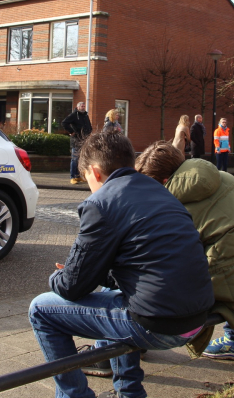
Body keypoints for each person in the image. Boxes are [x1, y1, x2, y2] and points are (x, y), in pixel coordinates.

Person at [28, 132, 214, 398]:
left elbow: (71, 287)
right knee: (111, 296)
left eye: (86, 180)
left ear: (94, 171)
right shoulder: (160, 192)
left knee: (41, 310)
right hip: (198, 319)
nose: (88, 187)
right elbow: (145, 267)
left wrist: (58, 277)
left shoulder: (101, 203)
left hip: (159, 324)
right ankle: (129, 392)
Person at [135, 142, 234, 361]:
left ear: (165, 181)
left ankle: (121, 350)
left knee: (132, 283)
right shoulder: (225, 178)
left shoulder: (174, 205)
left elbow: (162, 256)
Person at [62, 102, 92, 185]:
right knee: (74, 159)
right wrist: (71, 131)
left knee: (81, 159)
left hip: (84, 140)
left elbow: (88, 125)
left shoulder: (85, 115)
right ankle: (72, 177)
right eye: (81, 106)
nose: (83, 107)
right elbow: (64, 123)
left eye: (84, 106)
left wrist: (89, 132)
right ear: (77, 107)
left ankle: (78, 176)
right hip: (76, 140)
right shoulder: (74, 115)